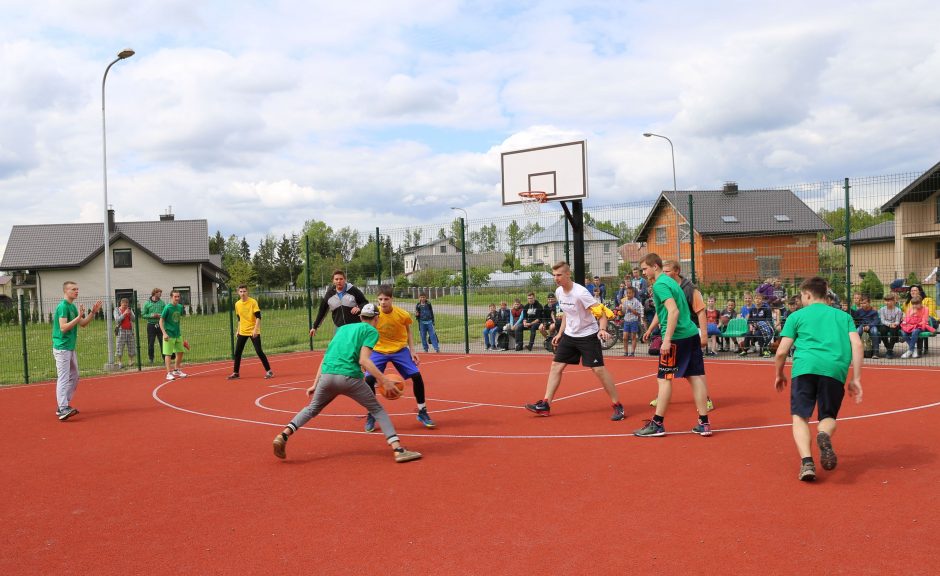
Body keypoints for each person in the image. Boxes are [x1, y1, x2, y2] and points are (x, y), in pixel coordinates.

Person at [272, 303, 422, 463]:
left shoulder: (343, 329)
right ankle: (398, 450)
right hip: (349, 377)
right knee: (377, 410)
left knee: (311, 409)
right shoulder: (371, 331)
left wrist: (315, 384)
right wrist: (384, 380)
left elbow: (325, 357)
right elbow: (364, 360)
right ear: (377, 318)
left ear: (360, 317)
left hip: (327, 375)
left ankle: (283, 435)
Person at [774, 276, 863, 481]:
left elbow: (781, 352)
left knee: (799, 416)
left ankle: (807, 463)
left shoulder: (797, 316)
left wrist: (779, 374)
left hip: (805, 367)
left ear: (807, 295)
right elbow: (857, 345)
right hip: (834, 370)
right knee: (827, 416)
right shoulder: (843, 316)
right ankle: (824, 435)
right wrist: (856, 378)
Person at [524, 262, 625, 420]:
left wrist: (603, 329)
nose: (556, 278)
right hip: (570, 336)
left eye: (559, 275)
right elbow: (566, 313)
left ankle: (617, 405)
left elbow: (602, 312)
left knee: (598, 370)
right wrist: (560, 333)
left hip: (588, 335)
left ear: (568, 274)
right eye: (554, 275)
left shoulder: (581, 293)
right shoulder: (559, 292)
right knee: (556, 366)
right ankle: (545, 404)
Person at [635, 254, 712, 437]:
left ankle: (657, 423)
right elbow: (667, 309)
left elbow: (673, 311)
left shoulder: (660, 284)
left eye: (645, 269)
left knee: (664, 379)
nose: (644, 273)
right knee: (695, 377)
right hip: (691, 334)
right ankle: (704, 423)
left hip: (677, 338)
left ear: (655, 266)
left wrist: (667, 339)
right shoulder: (671, 282)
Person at [362, 285, 436, 432]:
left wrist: (412, 350)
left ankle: (422, 411)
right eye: (380, 299)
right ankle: (371, 413)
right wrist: (365, 357)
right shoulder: (374, 315)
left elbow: (408, 331)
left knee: (417, 376)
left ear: (392, 299)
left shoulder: (402, 314)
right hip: (378, 350)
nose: (383, 302)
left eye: (386, 299)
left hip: (399, 349)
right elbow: (366, 333)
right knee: (369, 379)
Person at [52, 281, 102, 421]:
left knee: (74, 376)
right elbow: (63, 327)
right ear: (66, 291)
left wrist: (93, 312)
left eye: (77, 289)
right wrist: (78, 317)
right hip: (62, 348)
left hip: (69, 347)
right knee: (64, 377)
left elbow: (83, 324)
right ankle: (62, 408)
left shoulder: (72, 306)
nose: (76, 291)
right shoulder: (63, 306)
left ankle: (63, 405)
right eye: (73, 289)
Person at [227, 284, 274, 380]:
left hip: (253, 330)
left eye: (244, 291)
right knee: (237, 352)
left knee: (259, 351)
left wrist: (255, 330)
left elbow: (258, 317)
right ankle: (236, 373)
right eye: (241, 291)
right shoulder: (237, 304)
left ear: (247, 292)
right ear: (238, 293)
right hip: (243, 331)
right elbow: (239, 319)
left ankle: (269, 371)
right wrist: (238, 330)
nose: (243, 293)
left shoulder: (253, 302)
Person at [309, 270, 369, 338]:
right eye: (336, 279)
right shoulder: (329, 294)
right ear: (333, 281)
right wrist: (315, 327)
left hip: (354, 327)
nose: (339, 281)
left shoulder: (353, 290)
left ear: (345, 280)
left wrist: (359, 308)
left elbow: (365, 303)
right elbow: (322, 311)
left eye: (341, 279)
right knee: (339, 348)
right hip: (339, 328)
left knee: (355, 348)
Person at [160, 290, 188, 380]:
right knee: (168, 354)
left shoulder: (180, 307)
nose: (177, 298)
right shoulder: (167, 308)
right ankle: (168, 373)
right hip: (169, 335)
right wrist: (164, 333)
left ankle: (176, 370)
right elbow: (161, 321)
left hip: (177, 334)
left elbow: (177, 321)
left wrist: (181, 336)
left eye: (178, 296)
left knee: (180, 352)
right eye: (175, 296)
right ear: (171, 297)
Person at [900, 294, 935, 359]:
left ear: (921, 303)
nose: (914, 306)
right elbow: (906, 321)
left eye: (916, 304)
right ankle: (914, 349)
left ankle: (910, 350)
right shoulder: (910, 309)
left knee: (915, 331)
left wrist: (916, 324)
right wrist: (910, 315)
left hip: (920, 326)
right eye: (913, 304)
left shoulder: (925, 309)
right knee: (903, 332)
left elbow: (924, 321)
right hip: (910, 326)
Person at [142, 288, 167, 364]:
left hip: (160, 325)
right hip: (151, 325)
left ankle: (164, 359)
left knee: (162, 342)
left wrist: (161, 315)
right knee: (151, 343)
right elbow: (143, 315)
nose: (160, 295)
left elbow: (165, 313)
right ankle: (151, 359)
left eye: (160, 293)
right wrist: (152, 315)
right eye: (159, 293)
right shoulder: (147, 303)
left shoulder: (162, 303)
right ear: (154, 293)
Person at [853, 295, 881, 360]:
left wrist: (869, 326)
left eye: (865, 303)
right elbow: (856, 320)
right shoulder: (858, 311)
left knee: (875, 331)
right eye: (861, 303)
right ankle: (855, 351)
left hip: (871, 326)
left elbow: (876, 320)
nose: (863, 305)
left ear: (869, 302)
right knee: (857, 332)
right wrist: (862, 325)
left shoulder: (874, 311)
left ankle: (875, 352)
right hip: (861, 326)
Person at [112, 297, 136, 369]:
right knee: (119, 346)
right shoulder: (116, 310)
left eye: (126, 305)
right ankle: (119, 362)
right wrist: (124, 314)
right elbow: (117, 320)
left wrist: (130, 313)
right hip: (120, 330)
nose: (125, 306)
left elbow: (134, 319)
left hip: (129, 330)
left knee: (131, 346)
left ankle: (131, 361)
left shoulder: (130, 309)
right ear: (121, 304)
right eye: (124, 305)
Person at [620, 286, 643, 357]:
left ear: (633, 293)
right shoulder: (625, 301)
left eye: (629, 293)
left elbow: (638, 314)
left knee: (633, 337)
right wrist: (621, 309)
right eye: (627, 293)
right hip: (626, 321)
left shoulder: (637, 302)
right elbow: (623, 312)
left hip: (634, 321)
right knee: (624, 337)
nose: (628, 294)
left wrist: (631, 309)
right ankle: (625, 352)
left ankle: (632, 352)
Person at [878, 293, 902, 359]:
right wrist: (889, 324)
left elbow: (898, 321)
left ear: (894, 301)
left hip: (894, 325)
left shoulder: (898, 310)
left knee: (893, 330)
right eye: (886, 301)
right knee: (882, 330)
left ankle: (889, 351)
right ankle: (889, 348)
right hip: (885, 324)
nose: (887, 302)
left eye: (889, 301)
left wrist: (894, 324)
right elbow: (882, 320)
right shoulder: (882, 309)